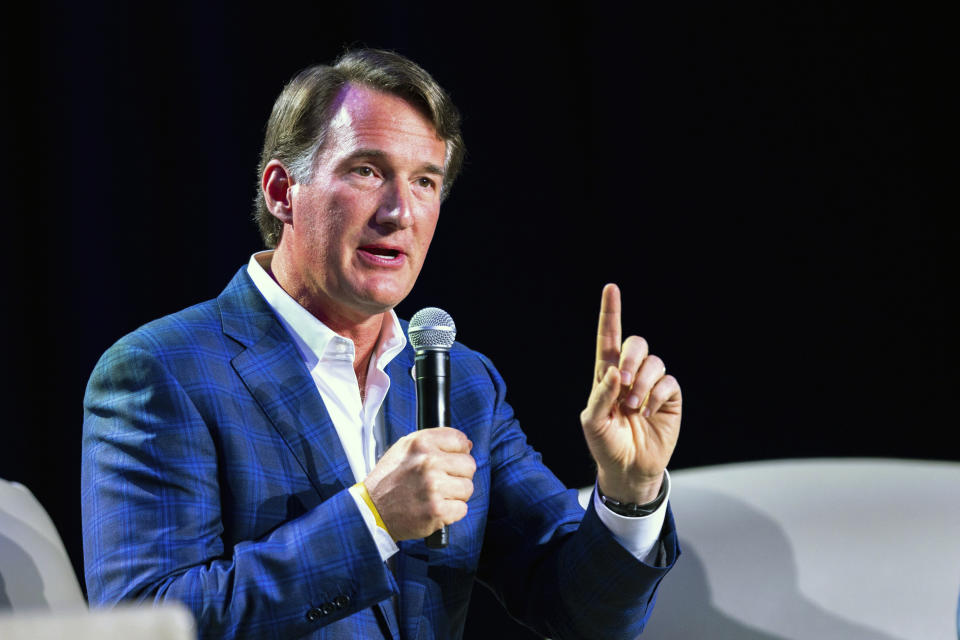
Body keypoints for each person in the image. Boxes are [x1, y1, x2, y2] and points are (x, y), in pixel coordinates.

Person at [82, 49, 682, 639]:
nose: (400, 211)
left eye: (425, 181)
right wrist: (371, 519)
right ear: (281, 191)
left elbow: (584, 613)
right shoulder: (160, 371)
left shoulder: (463, 382)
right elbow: (146, 624)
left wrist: (629, 494)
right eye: (367, 170)